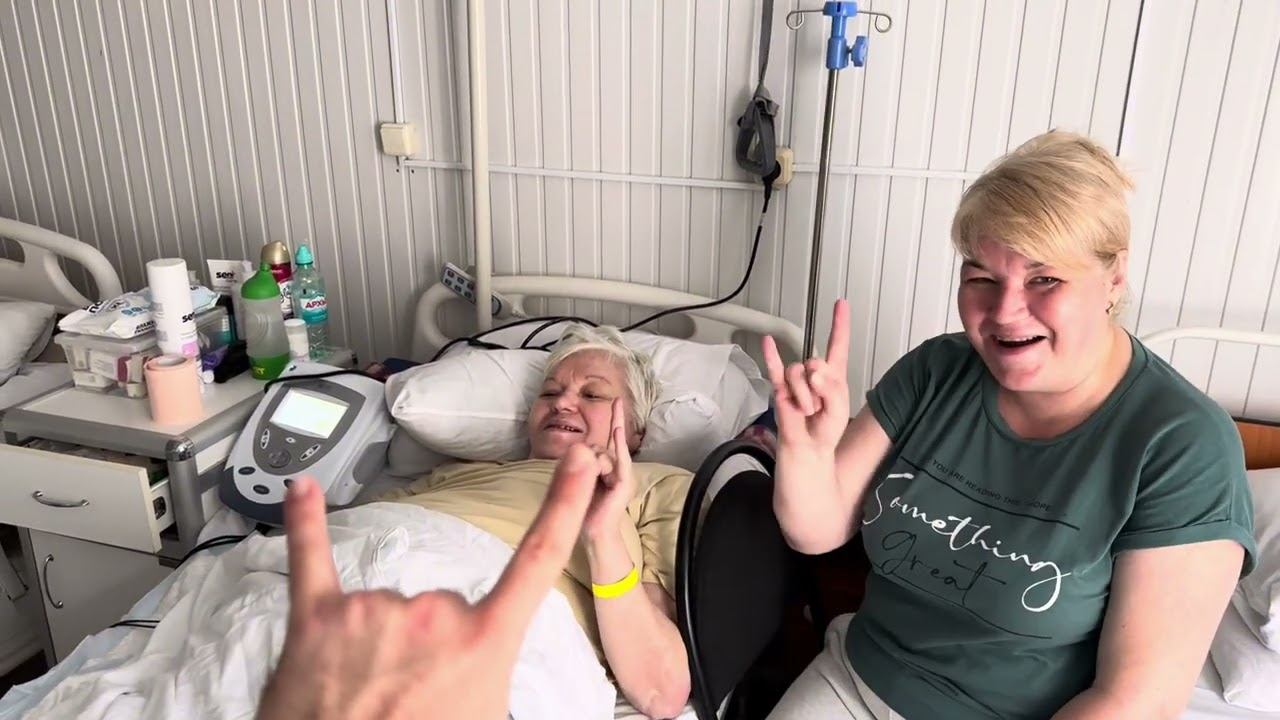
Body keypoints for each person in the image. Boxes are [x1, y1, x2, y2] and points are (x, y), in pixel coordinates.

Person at [762, 131, 1256, 719]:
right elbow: (814, 533)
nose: (1004, 311)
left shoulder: (1183, 446)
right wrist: (807, 453)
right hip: (856, 680)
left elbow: (1136, 700)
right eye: (981, 279)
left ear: (1114, 277)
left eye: (1044, 279)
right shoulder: (936, 371)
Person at [373, 324, 692, 719]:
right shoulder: (458, 473)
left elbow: (660, 688)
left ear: (637, 431)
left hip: (481, 620)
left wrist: (602, 535)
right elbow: (351, 530)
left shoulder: (659, 486)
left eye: (592, 394)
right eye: (550, 393)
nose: (562, 404)